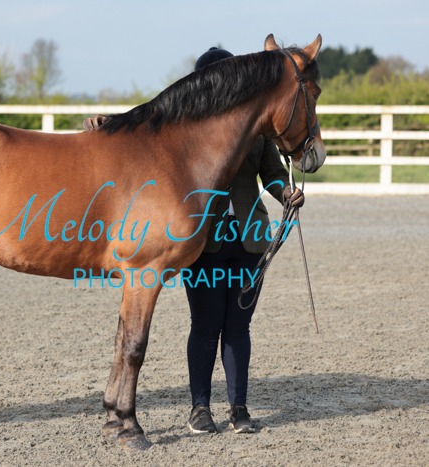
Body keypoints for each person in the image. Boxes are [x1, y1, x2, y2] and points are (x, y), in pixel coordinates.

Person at [83, 47, 304, 434]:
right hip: (204, 239)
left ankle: (239, 408)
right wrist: (110, 124)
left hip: (249, 239)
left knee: (238, 328)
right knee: (205, 325)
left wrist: (286, 192)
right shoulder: (186, 134)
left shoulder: (255, 132)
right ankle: (200, 408)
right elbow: (153, 123)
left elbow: (271, 174)